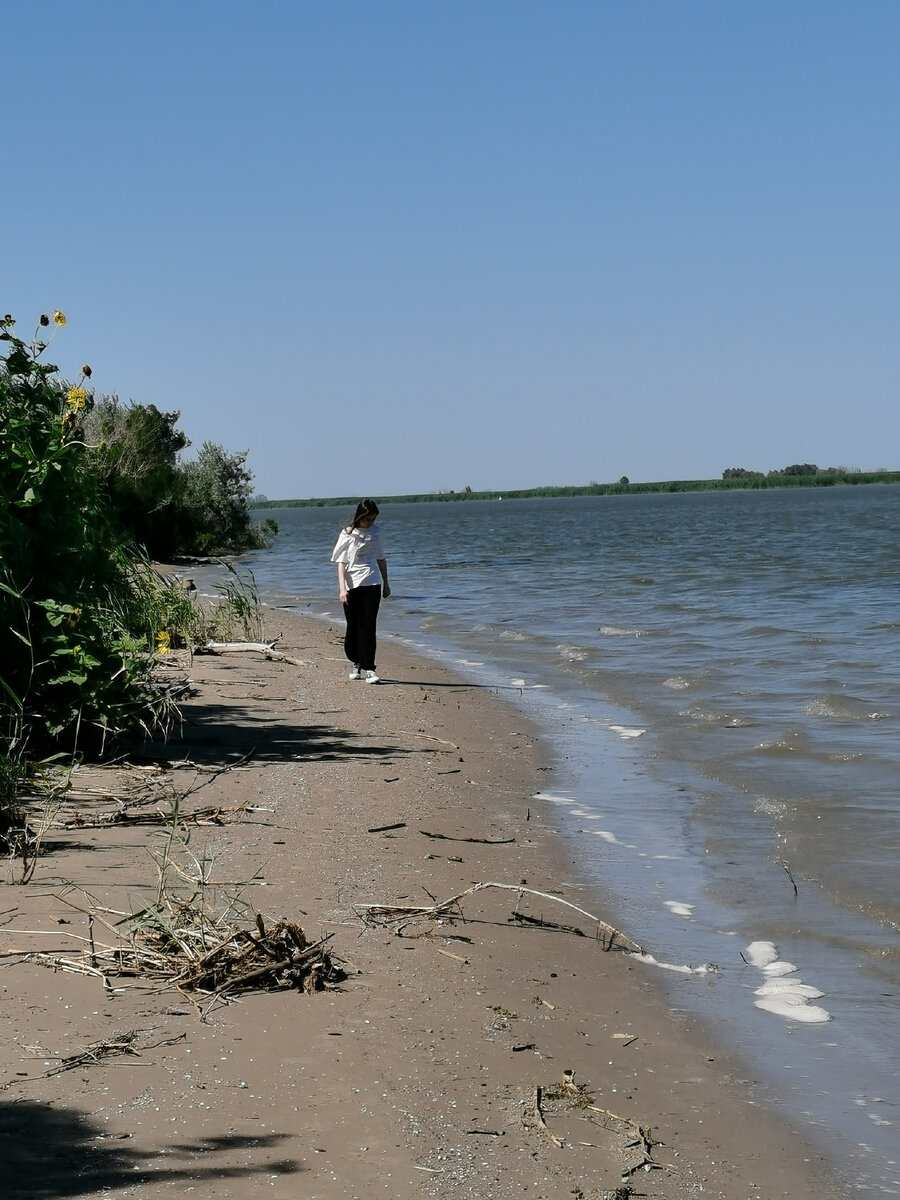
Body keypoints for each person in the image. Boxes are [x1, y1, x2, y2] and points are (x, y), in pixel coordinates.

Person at [330, 499, 391, 683]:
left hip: (372, 582)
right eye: (367, 519)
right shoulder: (348, 533)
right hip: (351, 585)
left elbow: (381, 558)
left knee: (369, 625)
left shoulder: (376, 532)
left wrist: (386, 583)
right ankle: (355, 661)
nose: (370, 522)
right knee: (354, 625)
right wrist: (342, 589)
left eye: (373, 519)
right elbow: (341, 563)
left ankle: (370, 669)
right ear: (360, 517)